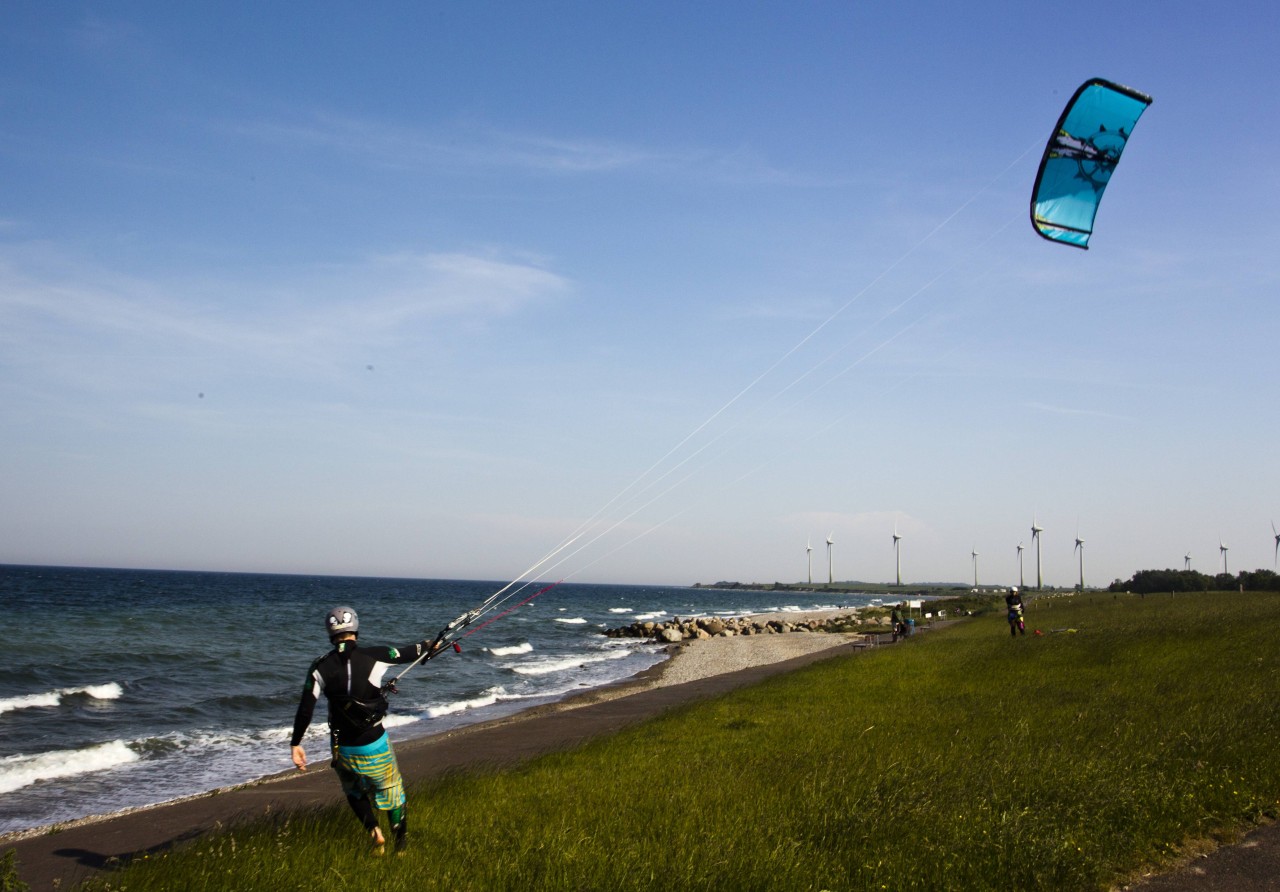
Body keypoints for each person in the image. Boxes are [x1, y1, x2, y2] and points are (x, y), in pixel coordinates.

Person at [290, 605, 440, 854]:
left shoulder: (318, 668)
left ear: (330, 632)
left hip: (343, 747)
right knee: (392, 790)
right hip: (375, 742)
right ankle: (400, 847)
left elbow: (305, 709)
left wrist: (296, 744)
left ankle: (374, 831)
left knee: (353, 791)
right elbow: (409, 653)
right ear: (355, 629)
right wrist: (429, 644)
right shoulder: (376, 655)